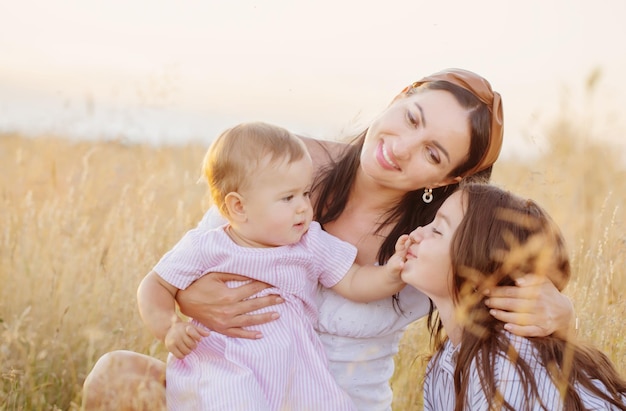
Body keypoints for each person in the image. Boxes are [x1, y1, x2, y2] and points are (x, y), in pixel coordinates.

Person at [82, 68, 576, 411]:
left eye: (432, 152)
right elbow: (206, 253)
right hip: (229, 391)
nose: (400, 149)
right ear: (398, 97)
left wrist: (563, 316)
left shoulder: (431, 238)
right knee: (115, 375)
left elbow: (496, 300)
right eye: (411, 117)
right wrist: (187, 298)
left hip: (331, 401)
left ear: (448, 179)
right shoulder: (288, 166)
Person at [137, 122, 410, 410]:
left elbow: (354, 281)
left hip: (296, 371)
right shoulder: (207, 246)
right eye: (288, 198)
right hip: (224, 368)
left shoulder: (310, 243)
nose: (303, 206)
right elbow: (155, 285)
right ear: (239, 207)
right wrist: (169, 327)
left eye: (305, 193)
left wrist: (391, 273)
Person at [403, 183, 626, 410]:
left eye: (438, 230)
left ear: (479, 267)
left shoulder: (503, 370)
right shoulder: (444, 362)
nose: (417, 232)